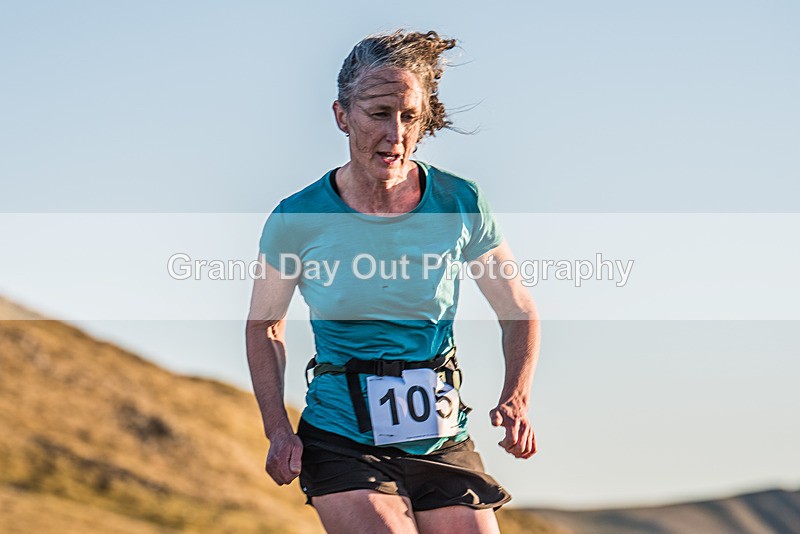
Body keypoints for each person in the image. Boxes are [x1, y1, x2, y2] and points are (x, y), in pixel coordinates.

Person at [246, 30, 540, 534]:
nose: (395, 133)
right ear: (342, 115)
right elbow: (265, 325)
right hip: (342, 436)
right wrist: (277, 429)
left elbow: (517, 309)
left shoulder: (458, 201)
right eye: (379, 114)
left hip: (440, 436)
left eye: (409, 116)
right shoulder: (298, 217)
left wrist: (516, 396)